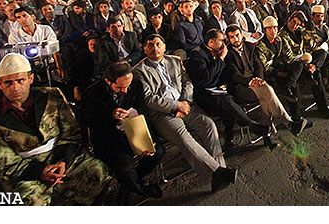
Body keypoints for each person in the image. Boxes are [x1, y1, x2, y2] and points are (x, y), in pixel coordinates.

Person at [0, 53, 111, 205]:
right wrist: (40, 171)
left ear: (31, 79)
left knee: (97, 173)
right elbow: (4, 162)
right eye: (8, 82)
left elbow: (71, 133)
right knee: (27, 201)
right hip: (24, 170)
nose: (15, 87)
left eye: (20, 80)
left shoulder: (51, 96)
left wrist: (62, 161)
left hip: (61, 156)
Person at [133, 34, 237, 192]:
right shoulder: (139, 71)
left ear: (164, 47)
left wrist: (186, 102)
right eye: (150, 45)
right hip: (163, 113)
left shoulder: (174, 61)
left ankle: (219, 172)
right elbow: (149, 99)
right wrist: (176, 105)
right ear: (145, 49)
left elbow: (187, 82)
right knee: (183, 137)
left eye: (158, 44)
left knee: (208, 125)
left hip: (186, 105)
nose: (155, 48)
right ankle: (218, 172)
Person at [81, 61, 164, 204]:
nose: (125, 90)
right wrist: (110, 115)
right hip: (109, 137)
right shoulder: (92, 93)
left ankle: (130, 184)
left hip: (134, 128)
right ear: (108, 81)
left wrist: (134, 116)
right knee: (125, 169)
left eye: (127, 86)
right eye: (120, 87)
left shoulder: (136, 84)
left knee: (157, 152)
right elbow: (86, 120)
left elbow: (143, 110)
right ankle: (139, 188)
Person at [186, 29, 271, 148]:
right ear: (211, 42)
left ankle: (230, 140)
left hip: (220, 91)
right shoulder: (197, 54)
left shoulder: (219, 51)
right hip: (205, 95)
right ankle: (252, 126)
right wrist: (220, 59)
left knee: (228, 101)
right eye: (221, 40)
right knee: (226, 101)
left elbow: (226, 74)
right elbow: (205, 79)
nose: (224, 43)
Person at [224, 24, 306, 139]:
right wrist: (251, 81)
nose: (235, 39)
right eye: (232, 37)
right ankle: (288, 122)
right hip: (241, 87)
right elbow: (234, 75)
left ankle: (266, 133)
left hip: (257, 82)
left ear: (242, 35)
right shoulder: (227, 53)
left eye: (237, 35)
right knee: (266, 90)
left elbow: (259, 66)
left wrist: (259, 79)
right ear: (228, 39)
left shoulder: (250, 46)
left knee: (265, 98)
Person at [278, 11, 329, 118]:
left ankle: (313, 69)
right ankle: (322, 107)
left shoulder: (299, 31)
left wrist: (308, 22)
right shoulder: (282, 35)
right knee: (316, 75)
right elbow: (289, 58)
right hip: (294, 65)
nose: (295, 26)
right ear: (288, 20)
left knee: (322, 53)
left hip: (305, 61)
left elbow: (313, 40)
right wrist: (305, 65)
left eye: (298, 24)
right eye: (293, 22)